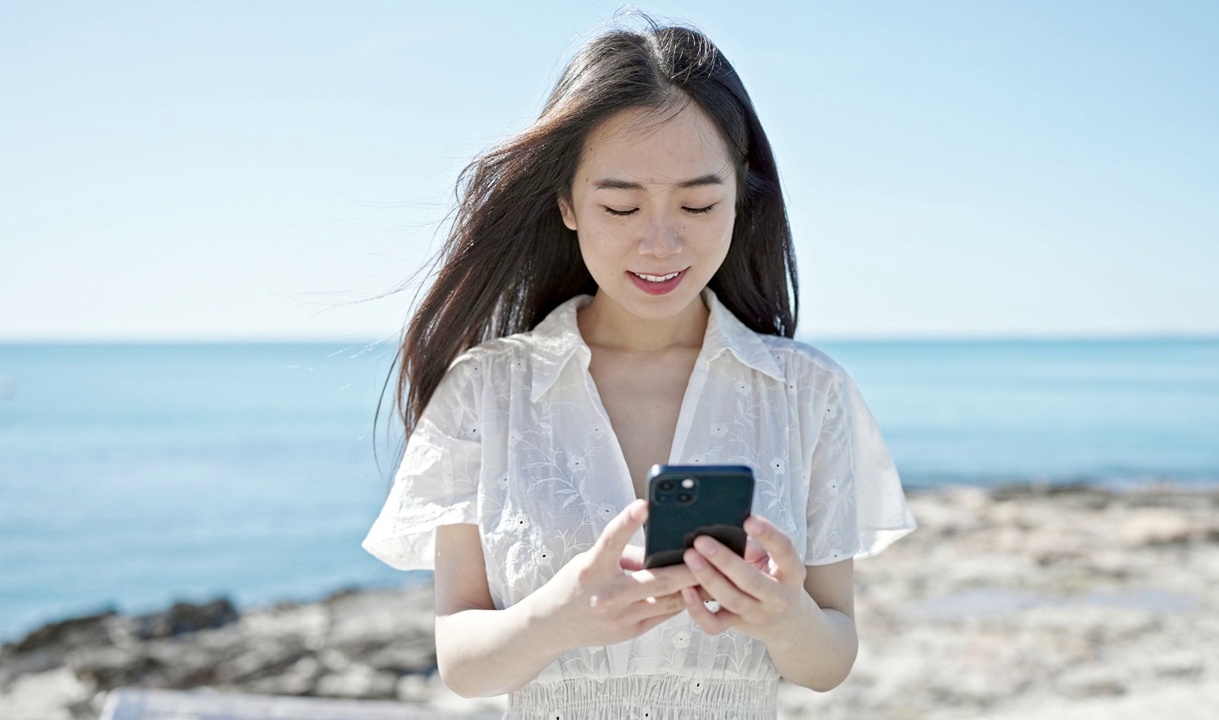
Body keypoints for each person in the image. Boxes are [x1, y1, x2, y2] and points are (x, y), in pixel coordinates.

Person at [362, 14, 916, 719]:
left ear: (741, 199)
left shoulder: (808, 394)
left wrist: (785, 620)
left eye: (698, 202)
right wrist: (557, 618)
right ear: (566, 203)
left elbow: (830, 658)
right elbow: (462, 664)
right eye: (621, 205)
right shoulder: (485, 392)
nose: (660, 242)